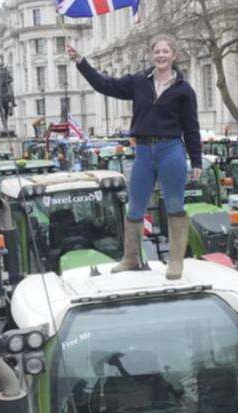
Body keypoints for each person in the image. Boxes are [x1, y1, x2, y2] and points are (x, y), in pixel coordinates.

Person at [67, 35, 201, 279]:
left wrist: (197, 160)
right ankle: (130, 258)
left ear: (174, 56)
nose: (160, 55)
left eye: (165, 51)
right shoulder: (139, 81)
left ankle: (175, 262)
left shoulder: (184, 90)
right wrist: (81, 62)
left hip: (171, 150)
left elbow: (191, 128)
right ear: (152, 56)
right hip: (143, 151)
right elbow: (104, 85)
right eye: (157, 52)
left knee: (174, 205)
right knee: (135, 205)